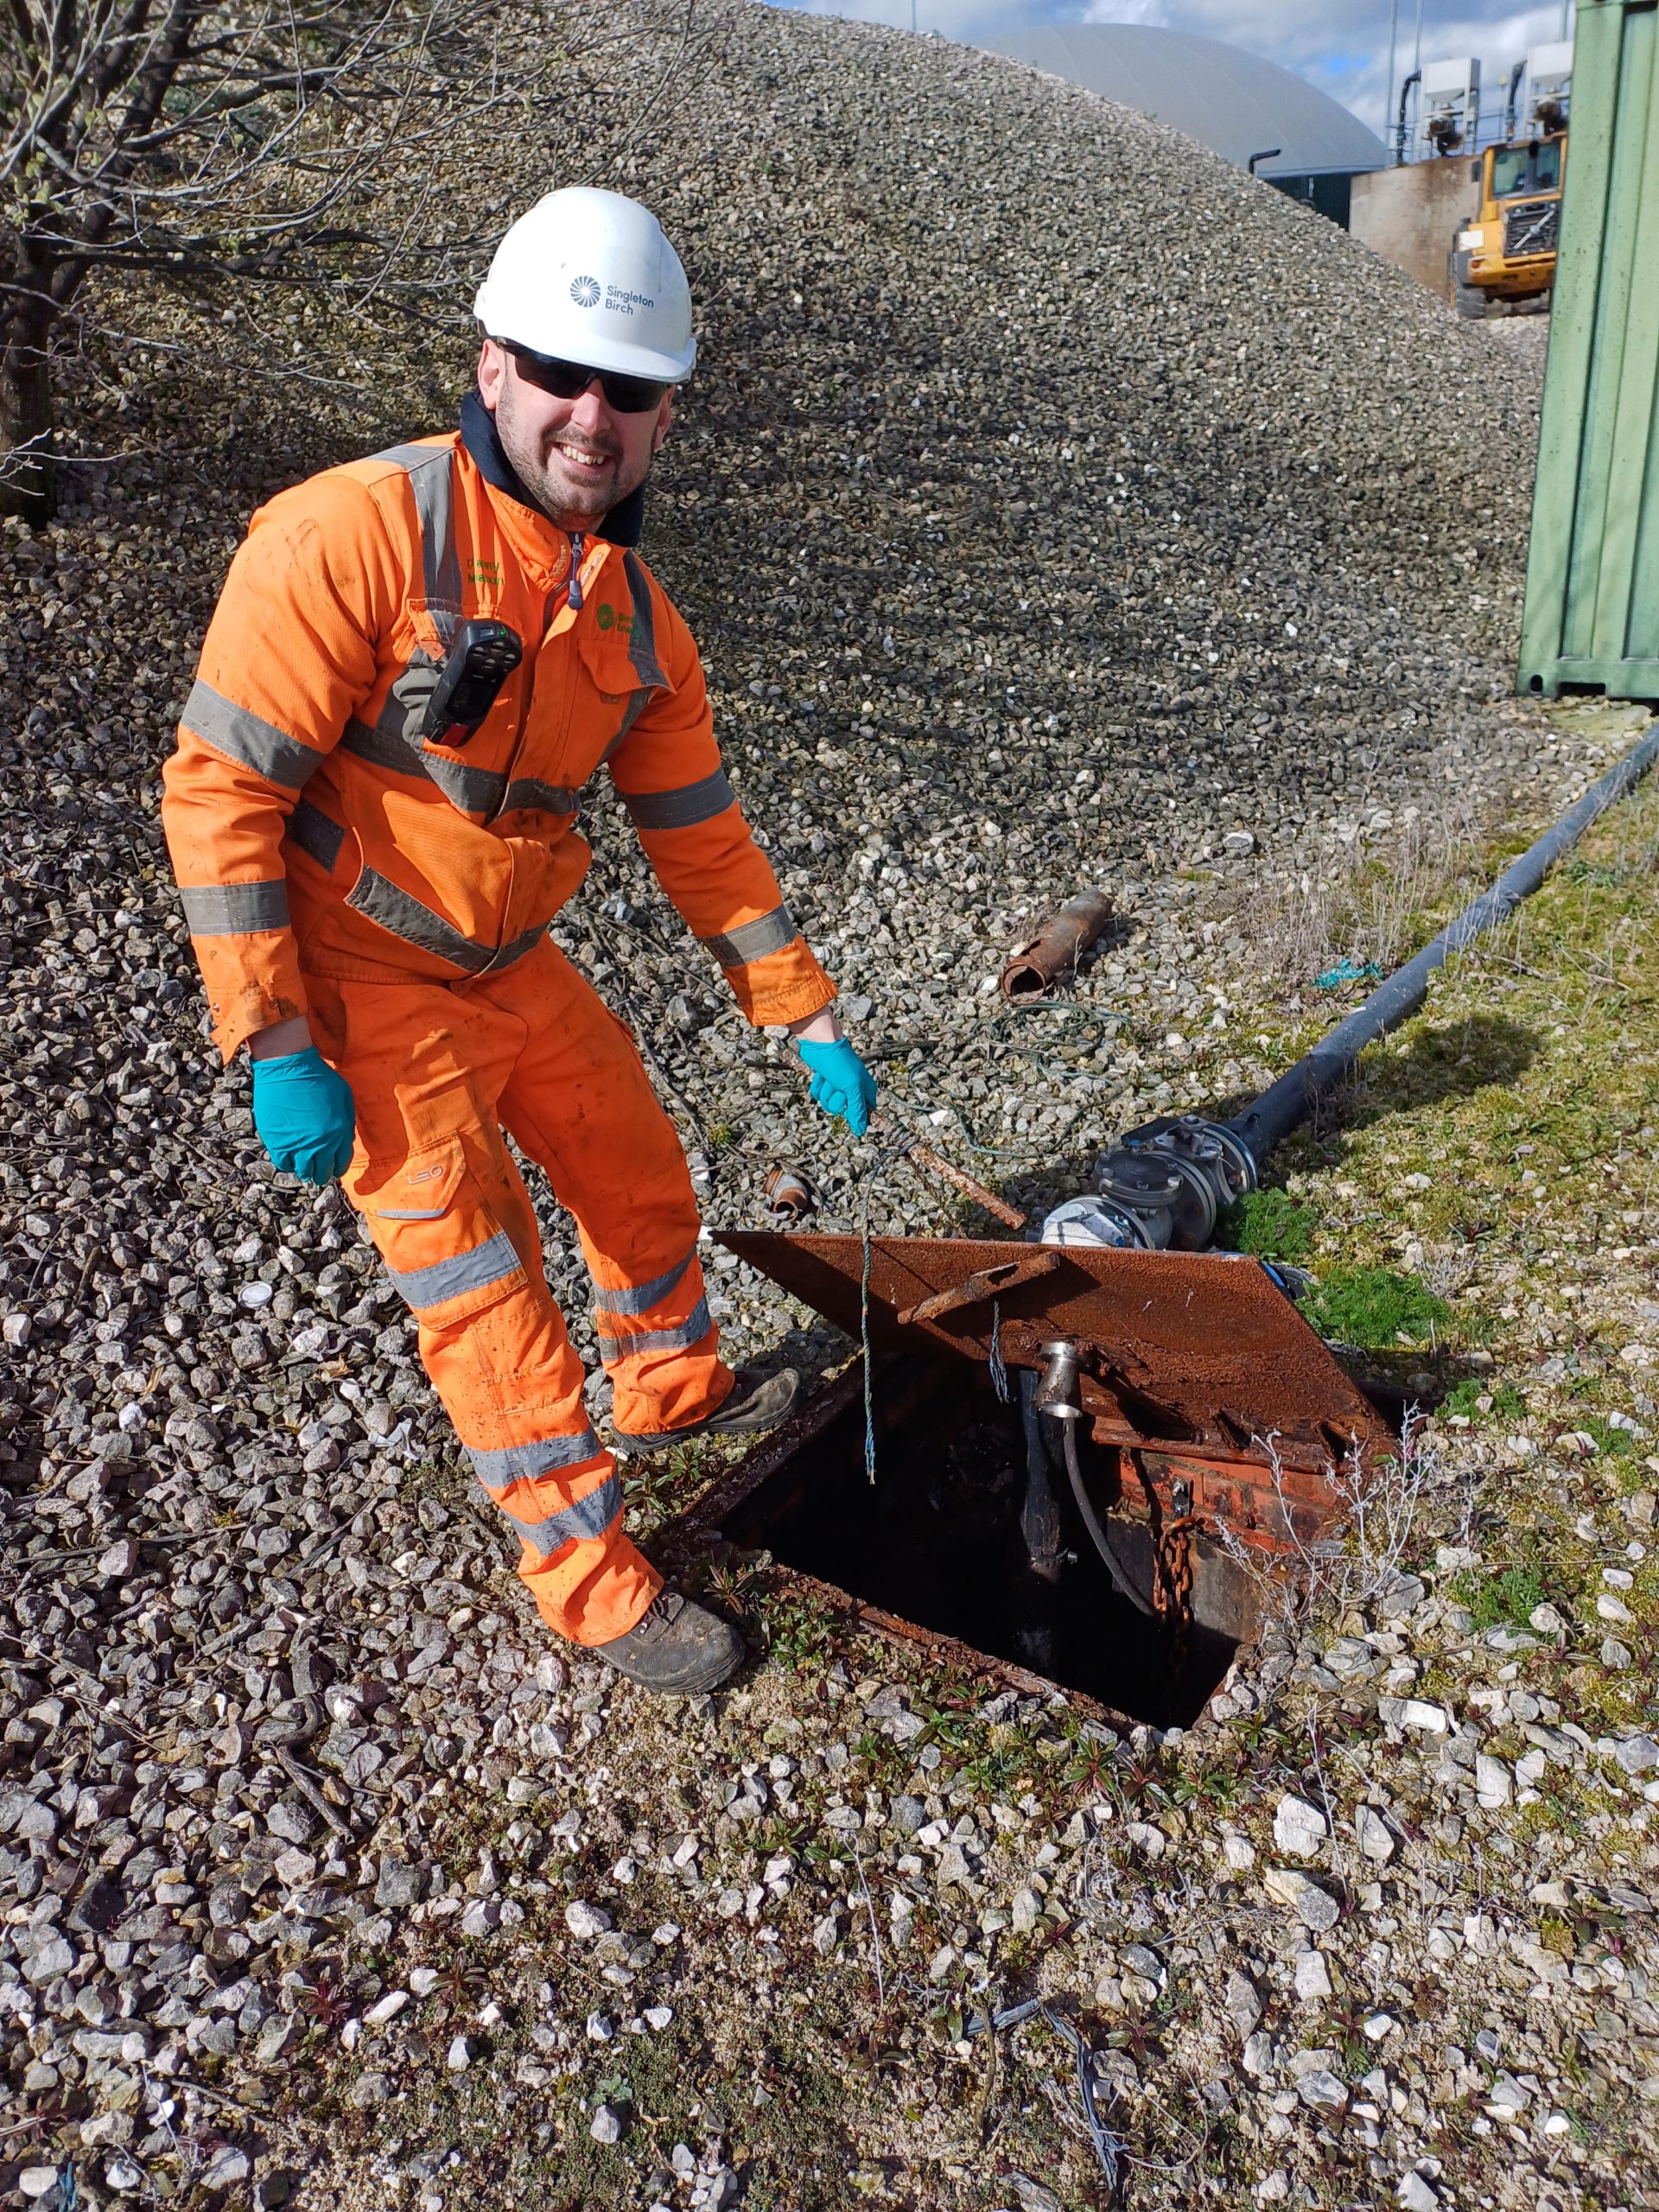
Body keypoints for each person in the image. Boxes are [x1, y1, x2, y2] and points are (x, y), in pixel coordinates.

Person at [161, 187, 876, 1696]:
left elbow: (701, 835)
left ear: (667, 412)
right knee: (485, 1288)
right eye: (561, 375)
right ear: (490, 364)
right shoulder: (349, 535)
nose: (591, 418)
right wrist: (276, 1040)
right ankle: (591, 1579)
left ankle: (675, 1388)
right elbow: (220, 795)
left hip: (507, 965)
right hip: (358, 979)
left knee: (635, 1170)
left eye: (630, 391)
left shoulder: (636, 619)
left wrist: (798, 1008)